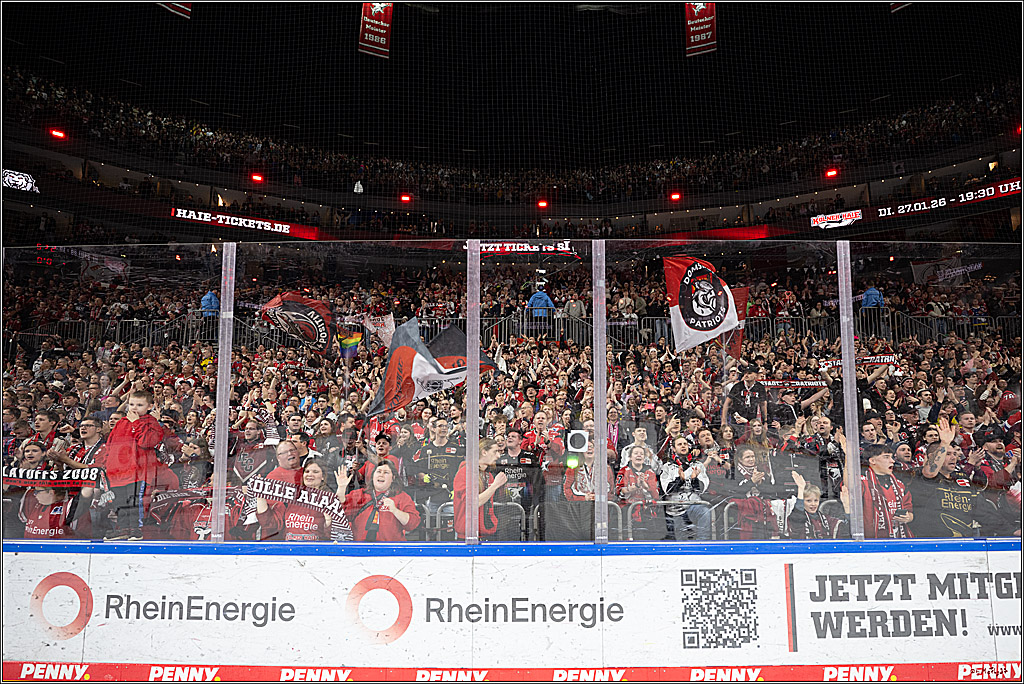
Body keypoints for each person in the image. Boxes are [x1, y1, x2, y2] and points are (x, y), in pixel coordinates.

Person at [94, 390, 165, 541]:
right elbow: (111, 444)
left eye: (140, 405)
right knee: (119, 502)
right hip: (117, 472)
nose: (134, 408)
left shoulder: (150, 422)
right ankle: (123, 529)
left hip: (137, 472)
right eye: (131, 404)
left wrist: (136, 423)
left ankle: (136, 529)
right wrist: (106, 464)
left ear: (150, 406)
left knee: (134, 501)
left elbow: (147, 442)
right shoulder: (121, 422)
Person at [255, 459, 353, 542]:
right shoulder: (291, 499)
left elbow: (337, 533)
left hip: (316, 554)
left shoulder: (327, 500)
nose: (310, 474)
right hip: (289, 553)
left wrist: (341, 487)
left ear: (323, 476)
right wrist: (260, 497)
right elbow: (269, 523)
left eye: (315, 472)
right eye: (307, 471)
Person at [341, 460, 421, 542]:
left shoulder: (401, 497)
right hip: (361, 549)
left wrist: (395, 511)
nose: (381, 475)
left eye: (386, 472)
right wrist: (341, 488)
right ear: (373, 476)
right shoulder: (360, 494)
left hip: (390, 549)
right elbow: (339, 513)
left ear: (393, 478)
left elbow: (413, 524)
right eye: (378, 471)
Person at [453, 438, 508, 540]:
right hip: (468, 537)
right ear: (484, 452)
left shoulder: (488, 476)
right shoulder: (465, 473)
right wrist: (495, 485)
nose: (498, 456)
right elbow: (473, 503)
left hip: (487, 533)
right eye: (495, 451)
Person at [860, 444, 914, 539]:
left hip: (899, 539)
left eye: (892, 457)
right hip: (871, 542)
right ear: (872, 461)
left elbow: (909, 510)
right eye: (886, 457)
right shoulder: (862, 482)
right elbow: (849, 487)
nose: (892, 461)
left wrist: (908, 517)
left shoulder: (900, 485)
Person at [788, 472, 849, 539]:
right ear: (803, 502)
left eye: (816, 500)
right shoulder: (798, 518)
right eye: (809, 501)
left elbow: (845, 530)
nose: (813, 504)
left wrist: (846, 506)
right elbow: (797, 519)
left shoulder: (825, 519)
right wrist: (801, 489)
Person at [19, 485, 95, 539]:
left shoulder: (71, 507)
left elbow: (84, 540)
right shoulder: (32, 502)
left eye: (37, 491)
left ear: (51, 492)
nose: (35, 494)